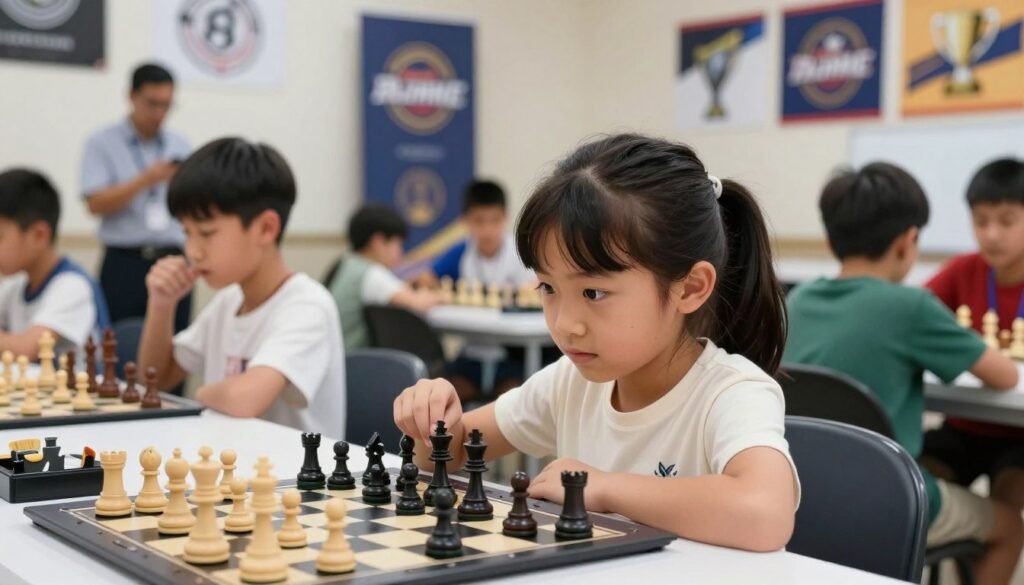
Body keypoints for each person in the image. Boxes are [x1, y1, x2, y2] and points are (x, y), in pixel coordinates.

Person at [394, 134, 799, 549]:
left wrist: (606, 488)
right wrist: (434, 420)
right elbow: (452, 450)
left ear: (690, 288)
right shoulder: (571, 383)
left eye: (593, 293)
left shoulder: (731, 392)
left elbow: (764, 513)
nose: (566, 324)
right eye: (549, 287)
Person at [785, 162, 1023, 584]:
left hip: (800, 492)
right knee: (1010, 526)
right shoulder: (910, 306)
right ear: (908, 242)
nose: (991, 234)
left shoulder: (797, 301)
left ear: (830, 238)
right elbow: (1005, 376)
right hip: (887, 495)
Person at [137, 138, 346, 436]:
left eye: (207, 233)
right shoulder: (228, 301)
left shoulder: (308, 305)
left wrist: (199, 395)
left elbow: (242, 400)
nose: (193, 250)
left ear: (266, 228)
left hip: (295, 479)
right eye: (187, 233)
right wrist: (162, 304)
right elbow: (153, 381)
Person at [923, 158, 1024, 515]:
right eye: (981, 221)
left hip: (1019, 434)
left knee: (1008, 506)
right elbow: (916, 314)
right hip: (963, 426)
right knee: (912, 487)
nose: (991, 234)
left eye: (1007, 221)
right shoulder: (963, 269)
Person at [81, 62, 192, 332]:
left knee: (174, 348)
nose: (159, 113)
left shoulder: (180, 144)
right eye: (152, 103)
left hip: (173, 259)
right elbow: (95, 203)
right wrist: (146, 180)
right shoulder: (102, 143)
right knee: (118, 348)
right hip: (124, 263)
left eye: (166, 105)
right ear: (131, 96)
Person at [0, 169, 110, 361]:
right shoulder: (15, 287)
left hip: (78, 390)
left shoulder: (73, 286)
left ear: (39, 235)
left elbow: (28, 350)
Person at [329, 204, 441, 351]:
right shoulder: (371, 273)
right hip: (353, 362)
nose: (400, 253)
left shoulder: (347, 263)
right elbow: (419, 303)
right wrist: (441, 295)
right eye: (398, 244)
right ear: (378, 242)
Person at [429, 179, 535, 286]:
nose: (487, 230)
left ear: (506, 217)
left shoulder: (522, 252)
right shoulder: (460, 253)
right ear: (465, 220)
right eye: (479, 221)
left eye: (495, 220)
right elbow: (427, 278)